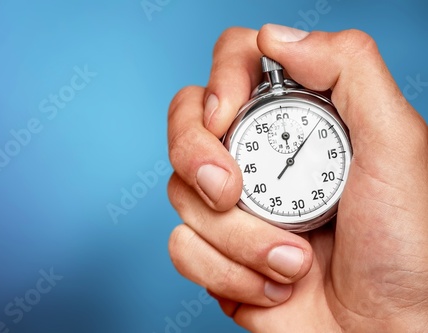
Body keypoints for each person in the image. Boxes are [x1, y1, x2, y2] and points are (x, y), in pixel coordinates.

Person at [166, 24, 428, 332]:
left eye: (295, 154)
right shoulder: (251, 127)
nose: (290, 159)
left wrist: (408, 312)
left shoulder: (330, 114)